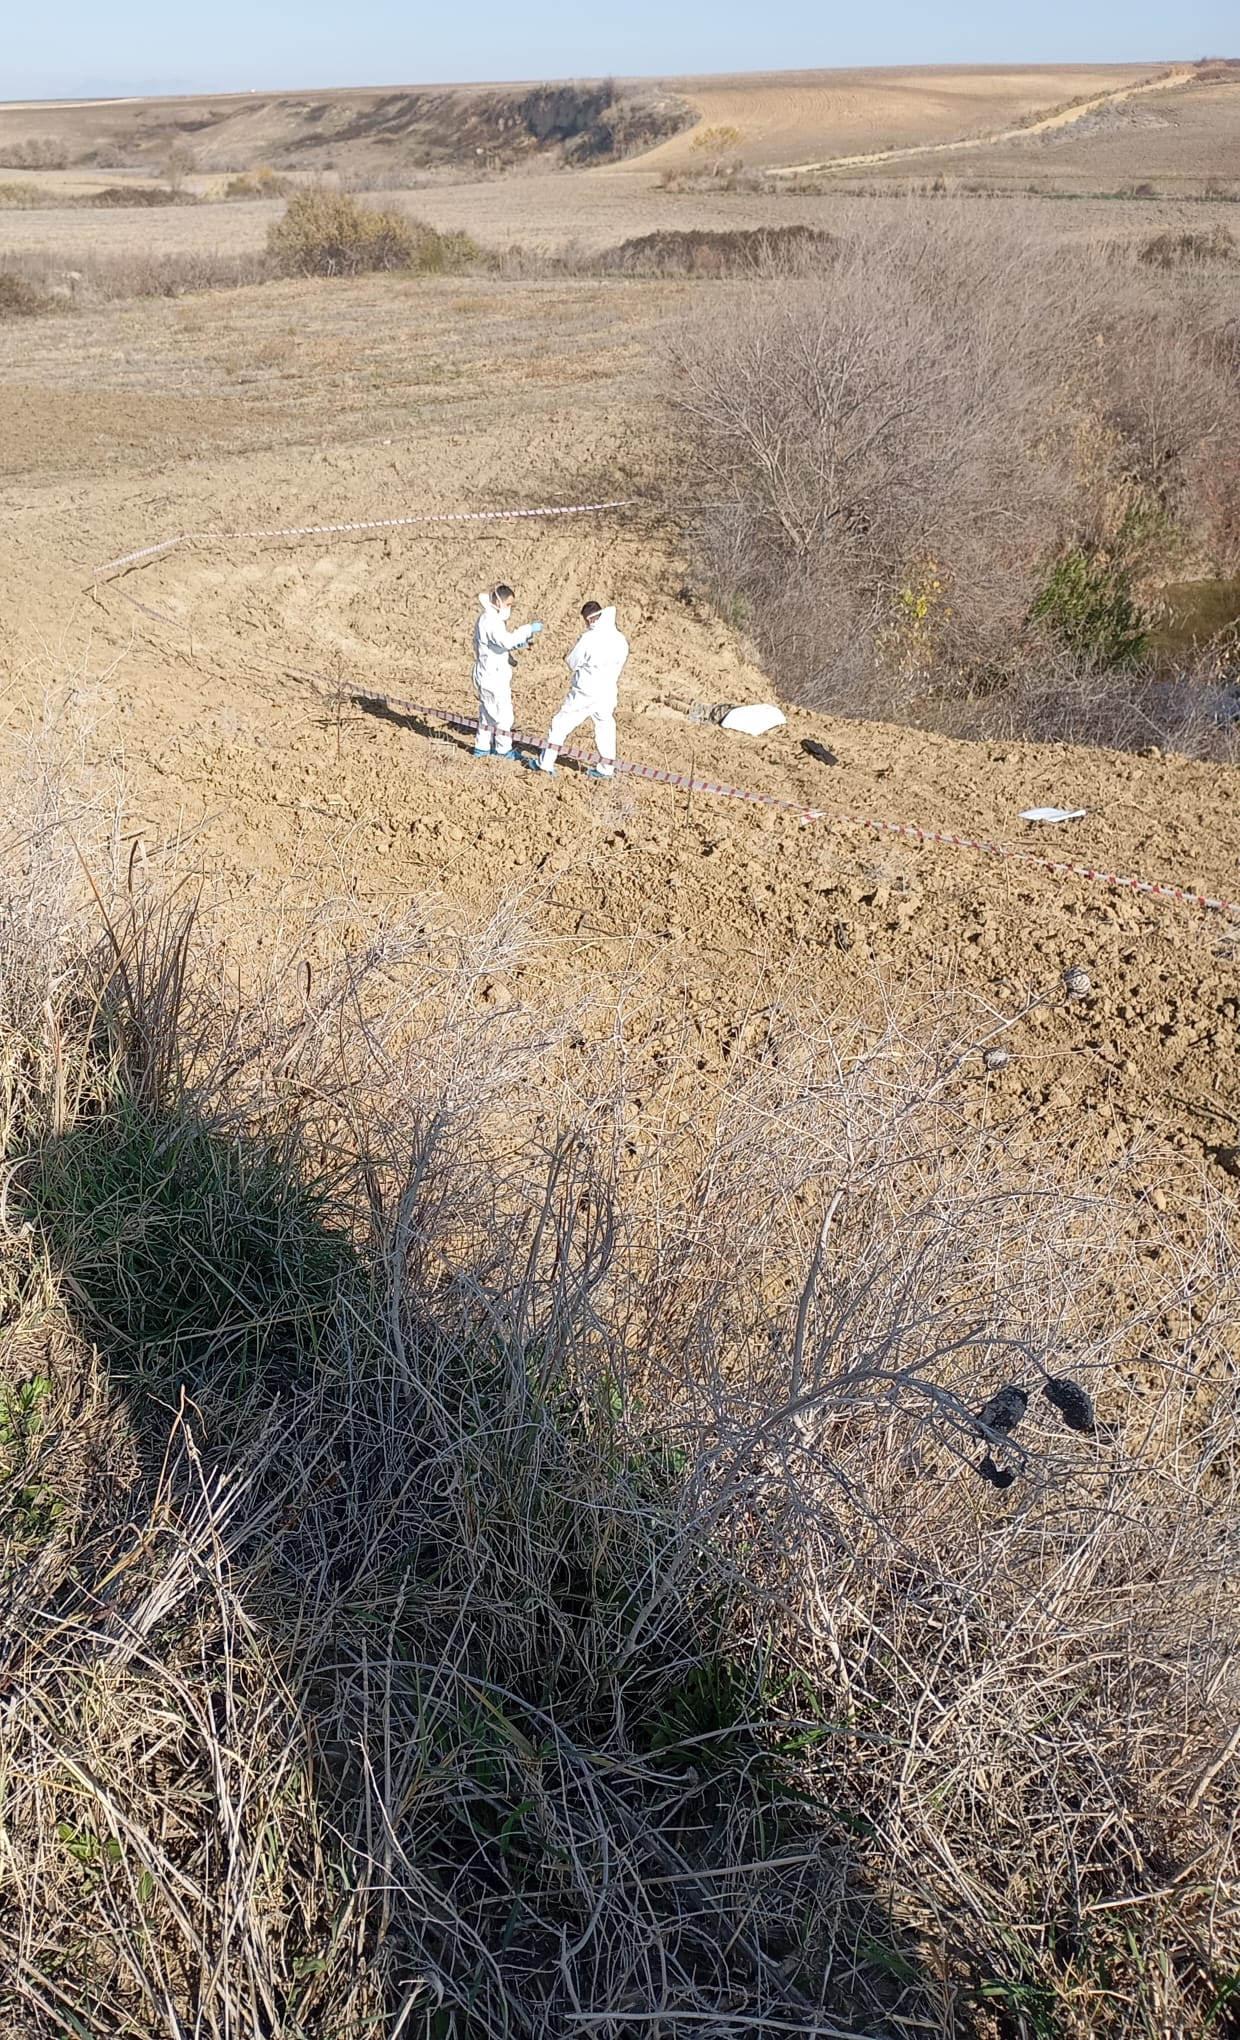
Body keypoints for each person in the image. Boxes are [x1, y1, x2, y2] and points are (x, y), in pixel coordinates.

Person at [525, 601, 629, 780]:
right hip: (608, 691)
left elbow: (572, 662)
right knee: (605, 728)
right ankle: (606, 768)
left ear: (588, 619)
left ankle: (545, 764)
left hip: (585, 692)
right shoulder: (620, 638)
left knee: (559, 724)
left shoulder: (589, 638)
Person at [472, 585, 543, 761]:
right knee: (503, 715)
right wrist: (527, 630)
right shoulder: (490, 621)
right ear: (498, 601)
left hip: (489, 673)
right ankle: (503, 750)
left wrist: (511, 654)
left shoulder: (490, 620)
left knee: (487, 713)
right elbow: (506, 641)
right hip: (492, 677)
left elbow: (496, 645)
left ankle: (481, 748)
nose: (509, 608)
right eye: (509, 604)